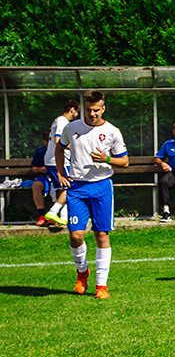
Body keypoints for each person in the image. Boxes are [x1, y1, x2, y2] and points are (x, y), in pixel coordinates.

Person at [56, 90, 129, 299]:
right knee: (76, 235)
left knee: (101, 234)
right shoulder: (72, 128)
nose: (92, 113)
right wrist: (61, 173)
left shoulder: (113, 131)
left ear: (103, 108)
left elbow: (124, 161)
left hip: (102, 186)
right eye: (88, 110)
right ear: (83, 108)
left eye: (96, 109)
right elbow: (59, 148)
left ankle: (101, 286)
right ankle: (82, 272)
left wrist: (106, 159)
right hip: (77, 187)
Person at [42, 99, 80, 227]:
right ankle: (53, 211)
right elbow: (58, 141)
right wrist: (75, 147)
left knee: (64, 188)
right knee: (70, 186)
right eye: (77, 112)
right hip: (57, 159)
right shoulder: (62, 121)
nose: (77, 116)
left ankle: (63, 217)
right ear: (72, 110)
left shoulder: (59, 121)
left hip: (53, 159)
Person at [30, 131, 59, 226]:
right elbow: (33, 168)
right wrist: (39, 169)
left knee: (62, 186)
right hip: (45, 177)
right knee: (36, 185)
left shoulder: (61, 149)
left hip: (58, 176)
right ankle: (41, 215)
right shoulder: (40, 152)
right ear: (44, 142)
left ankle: (57, 214)